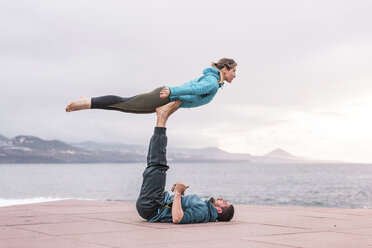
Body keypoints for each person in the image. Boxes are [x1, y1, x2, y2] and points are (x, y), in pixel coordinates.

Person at [136, 100, 234, 224]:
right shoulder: (204, 208)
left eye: (224, 202)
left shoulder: (203, 211)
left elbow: (178, 218)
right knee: (154, 164)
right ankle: (161, 117)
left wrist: (177, 193)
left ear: (219, 210)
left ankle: (162, 117)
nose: (221, 198)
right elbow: (180, 210)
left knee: (158, 165)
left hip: (153, 207)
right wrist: (181, 193)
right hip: (156, 203)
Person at [65, 58, 237, 113]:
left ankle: (88, 101)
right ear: (224, 68)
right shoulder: (212, 82)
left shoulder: (213, 80)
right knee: (125, 104)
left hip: (166, 98)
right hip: (165, 95)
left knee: (124, 106)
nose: (234, 75)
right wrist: (172, 91)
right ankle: (86, 102)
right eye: (233, 71)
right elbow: (195, 89)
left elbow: (191, 92)